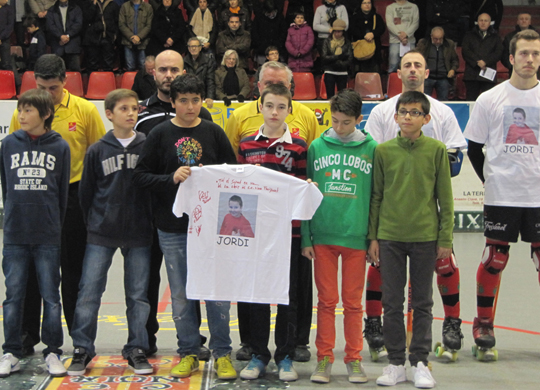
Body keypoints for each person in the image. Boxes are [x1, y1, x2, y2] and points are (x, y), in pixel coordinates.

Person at [132, 74, 237, 379]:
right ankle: (189, 351)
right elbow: (140, 177)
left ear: (202, 100)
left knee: (216, 293)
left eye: (195, 100)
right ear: (173, 102)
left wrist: (213, 177)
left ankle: (222, 353)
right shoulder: (160, 134)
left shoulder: (214, 133)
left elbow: (231, 175)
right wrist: (171, 178)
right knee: (181, 295)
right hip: (172, 227)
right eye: (183, 101)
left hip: (212, 229)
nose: (190, 106)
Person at [364, 49, 467, 361]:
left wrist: (421, 165)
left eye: (418, 65)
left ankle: (452, 322)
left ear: (426, 72)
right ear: (398, 73)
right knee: (379, 265)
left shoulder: (443, 113)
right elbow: (374, 158)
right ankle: (373, 323)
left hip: (424, 212)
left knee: (443, 264)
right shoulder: (383, 112)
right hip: (391, 212)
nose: (411, 70)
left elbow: (456, 160)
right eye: (406, 65)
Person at [9, 55, 106, 348]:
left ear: (65, 82)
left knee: (73, 269)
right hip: (34, 196)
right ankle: (27, 335)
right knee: (31, 270)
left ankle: (78, 338)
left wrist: (95, 205)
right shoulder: (24, 112)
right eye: (41, 87)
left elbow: (99, 158)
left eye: (52, 88)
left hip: (74, 197)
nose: (46, 95)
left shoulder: (85, 110)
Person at [225, 60, 319, 363]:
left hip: (289, 229)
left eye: (282, 97)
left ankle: (295, 343)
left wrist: (306, 233)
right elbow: (231, 172)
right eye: (268, 87)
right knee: (252, 288)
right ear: (259, 89)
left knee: (293, 289)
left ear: (290, 96)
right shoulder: (240, 122)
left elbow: (307, 177)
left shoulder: (304, 124)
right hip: (253, 228)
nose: (275, 109)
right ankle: (253, 345)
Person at [368, 91, 453, 388]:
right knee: (391, 302)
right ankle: (395, 363)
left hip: (425, 237)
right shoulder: (383, 151)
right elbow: (376, 196)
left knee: (423, 303)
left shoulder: (437, 150)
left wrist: (445, 238)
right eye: (403, 112)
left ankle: (419, 361)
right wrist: (373, 237)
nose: (407, 117)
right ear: (395, 116)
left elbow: (445, 197)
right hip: (390, 238)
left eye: (415, 112)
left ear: (426, 119)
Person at [66, 89, 154, 376]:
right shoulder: (97, 150)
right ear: (109, 114)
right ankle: (82, 348)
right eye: (124, 109)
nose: (131, 113)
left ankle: (137, 348)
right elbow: (86, 192)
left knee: (138, 295)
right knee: (89, 292)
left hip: (139, 232)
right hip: (102, 233)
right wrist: (96, 221)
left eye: (134, 108)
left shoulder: (147, 146)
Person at [464, 30, 540, 355]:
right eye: (523, 53)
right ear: (510, 58)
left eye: (535, 54)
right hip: (502, 195)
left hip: (538, 197)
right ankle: (483, 323)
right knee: (495, 258)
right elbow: (474, 148)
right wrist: (490, 180)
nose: (530, 60)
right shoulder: (490, 99)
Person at [134, 50, 213, 358]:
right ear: (153, 73)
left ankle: (194, 340)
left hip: (189, 219)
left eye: (174, 69)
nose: (168, 74)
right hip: (149, 213)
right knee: (147, 280)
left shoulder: (202, 117)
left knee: (190, 281)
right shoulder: (142, 113)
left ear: (183, 72)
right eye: (162, 69)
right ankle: (146, 339)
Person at [302, 89, 377, 384]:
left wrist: (373, 237)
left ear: (359, 119)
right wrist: (307, 236)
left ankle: (354, 359)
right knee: (326, 300)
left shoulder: (372, 148)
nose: (339, 127)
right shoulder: (317, 147)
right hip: (323, 235)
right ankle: (323, 359)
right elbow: (307, 195)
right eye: (334, 121)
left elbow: (375, 197)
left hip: (356, 236)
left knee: (354, 302)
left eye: (346, 122)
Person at [236, 83, 307, 381]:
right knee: (257, 297)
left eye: (281, 106)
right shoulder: (246, 145)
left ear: (289, 109)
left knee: (287, 297)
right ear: (260, 107)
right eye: (269, 106)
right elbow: (237, 190)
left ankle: (286, 356)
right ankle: (258, 355)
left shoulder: (300, 147)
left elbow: (303, 193)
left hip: (287, 237)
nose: (275, 112)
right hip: (255, 237)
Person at [0, 89, 70, 378]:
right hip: (16, 233)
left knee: (51, 296)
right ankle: (11, 351)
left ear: (45, 114)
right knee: (13, 295)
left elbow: (62, 193)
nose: (21, 115)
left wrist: (53, 224)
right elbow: (6, 185)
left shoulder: (60, 147)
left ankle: (53, 351)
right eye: (20, 109)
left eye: (28, 110)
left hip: (47, 234)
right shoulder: (8, 144)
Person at [462, 13, 503, 101]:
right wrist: (477, 61)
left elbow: (498, 53)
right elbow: (466, 51)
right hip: (472, 74)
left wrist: (485, 62)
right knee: (471, 101)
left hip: (488, 73)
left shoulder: (496, 36)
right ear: (477, 22)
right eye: (481, 20)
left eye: (486, 21)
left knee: (488, 101)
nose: (483, 23)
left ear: (490, 23)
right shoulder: (469, 35)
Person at [416, 27, 459, 101]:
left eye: (440, 38)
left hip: (443, 77)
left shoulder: (449, 44)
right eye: (436, 39)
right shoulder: (423, 43)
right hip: (427, 77)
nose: (438, 41)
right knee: (424, 100)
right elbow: (416, 58)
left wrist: (452, 69)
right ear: (431, 36)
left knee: (444, 101)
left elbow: (455, 60)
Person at [81, 0, 120, 73]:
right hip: (92, 38)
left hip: (108, 38)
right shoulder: (88, 3)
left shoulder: (113, 4)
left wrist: (115, 36)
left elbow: (117, 22)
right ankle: (92, 83)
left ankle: (108, 83)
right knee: (92, 64)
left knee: (108, 64)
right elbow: (87, 18)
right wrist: (93, 5)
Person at [348, 0, 386, 74]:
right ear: (360, 5)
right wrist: (363, 35)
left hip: (374, 49)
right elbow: (352, 30)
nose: (367, 5)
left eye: (369, 3)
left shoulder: (377, 17)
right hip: (359, 48)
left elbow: (382, 28)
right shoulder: (354, 17)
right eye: (364, 3)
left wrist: (373, 34)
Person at [46, 0, 83, 71]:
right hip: (57, 45)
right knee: (57, 73)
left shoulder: (76, 8)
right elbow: (51, 26)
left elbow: (78, 24)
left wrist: (68, 35)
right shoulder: (52, 10)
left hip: (73, 45)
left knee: (75, 73)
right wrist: (60, 36)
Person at [321, 19, 352, 99]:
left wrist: (337, 63)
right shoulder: (327, 41)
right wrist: (338, 57)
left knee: (342, 97)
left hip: (342, 72)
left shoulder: (347, 43)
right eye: (336, 31)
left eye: (340, 31)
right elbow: (324, 57)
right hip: (329, 71)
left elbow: (349, 59)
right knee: (330, 97)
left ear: (343, 32)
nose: (337, 33)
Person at [119, 0, 153, 71]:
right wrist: (131, 37)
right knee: (130, 67)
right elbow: (121, 24)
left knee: (143, 67)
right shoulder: (124, 6)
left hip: (143, 43)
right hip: (128, 42)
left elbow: (149, 26)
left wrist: (139, 37)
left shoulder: (148, 7)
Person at [385, 0, 419, 73]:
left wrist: (406, 34)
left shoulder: (413, 7)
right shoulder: (390, 7)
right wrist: (400, 35)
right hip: (395, 41)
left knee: (410, 66)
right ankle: (392, 83)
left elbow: (415, 23)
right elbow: (390, 24)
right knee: (393, 66)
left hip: (409, 41)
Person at [251, 0, 286, 66]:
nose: (271, 15)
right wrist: (260, 45)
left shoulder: (280, 18)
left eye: (273, 12)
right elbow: (254, 33)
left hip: (278, 50)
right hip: (262, 50)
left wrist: (278, 45)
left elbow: (283, 33)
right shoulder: (259, 18)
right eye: (269, 13)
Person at [184, 37, 216, 108]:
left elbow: (210, 81)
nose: (193, 48)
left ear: (200, 48)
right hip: (187, 96)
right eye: (191, 46)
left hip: (202, 96)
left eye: (196, 46)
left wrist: (210, 97)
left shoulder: (208, 61)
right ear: (188, 48)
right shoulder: (183, 62)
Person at [0, 0, 13, 71]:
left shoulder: (9, 9)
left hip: (5, 39)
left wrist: (1, 37)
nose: (7, 0)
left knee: (6, 63)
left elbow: (10, 26)